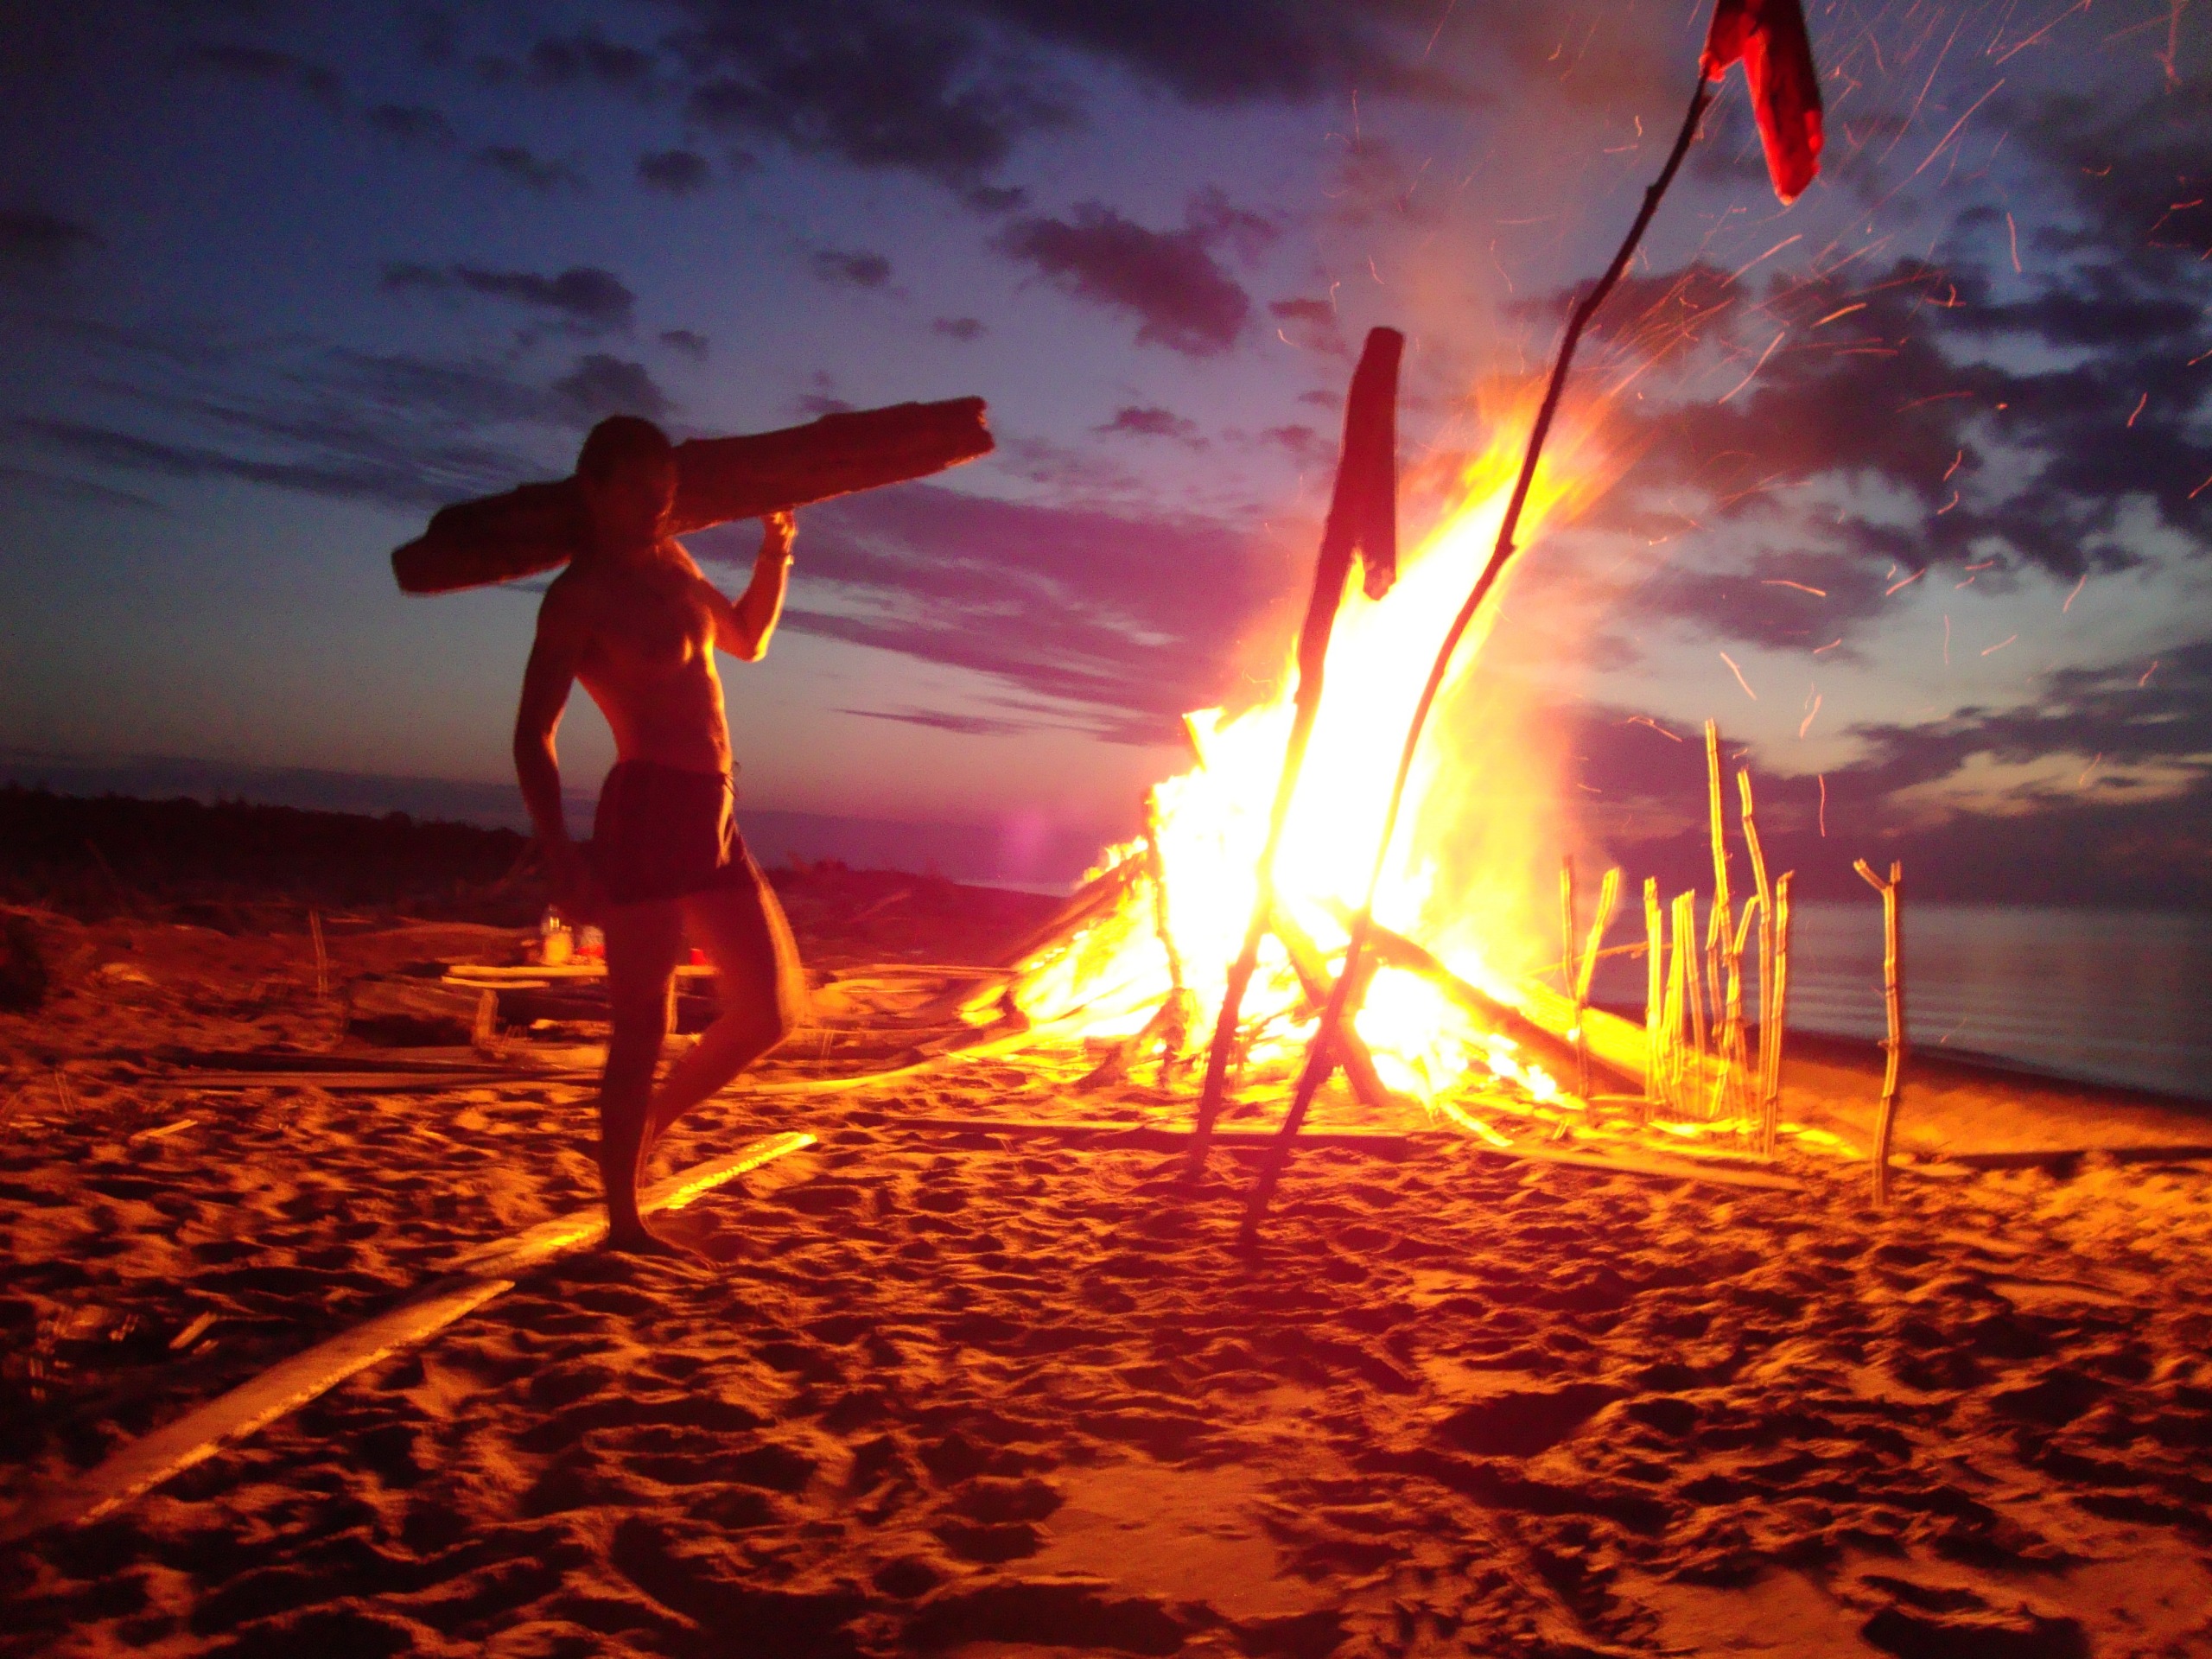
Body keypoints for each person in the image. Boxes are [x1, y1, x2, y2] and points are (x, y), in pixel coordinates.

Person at [513, 415, 808, 1255]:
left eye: (667, 493)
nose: (656, 507)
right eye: (640, 491)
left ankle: (645, 1128)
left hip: (713, 806)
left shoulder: (676, 563)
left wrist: (775, 549)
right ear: (595, 490)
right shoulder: (579, 595)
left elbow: (747, 640)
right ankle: (623, 1220)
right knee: (643, 1024)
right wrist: (561, 855)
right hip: (645, 807)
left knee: (774, 1010)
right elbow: (533, 733)